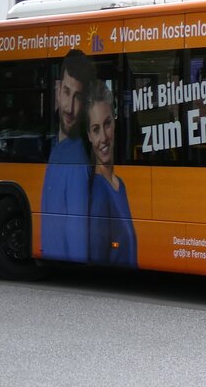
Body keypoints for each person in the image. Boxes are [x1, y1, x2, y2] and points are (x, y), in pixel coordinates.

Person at [40, 49, 95, 262]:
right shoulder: (55, 147)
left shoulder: (76, 161)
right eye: (66, 91)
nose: (70, 108)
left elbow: (77, 237)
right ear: (57, 90)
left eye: (78, 97)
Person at [86, 81, 137, 266]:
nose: (104, 138)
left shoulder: (119, 185)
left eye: (107, 124)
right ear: (89, 136)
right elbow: (97, 258)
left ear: (115, 123)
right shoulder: (99, 191)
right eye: (95, 129)